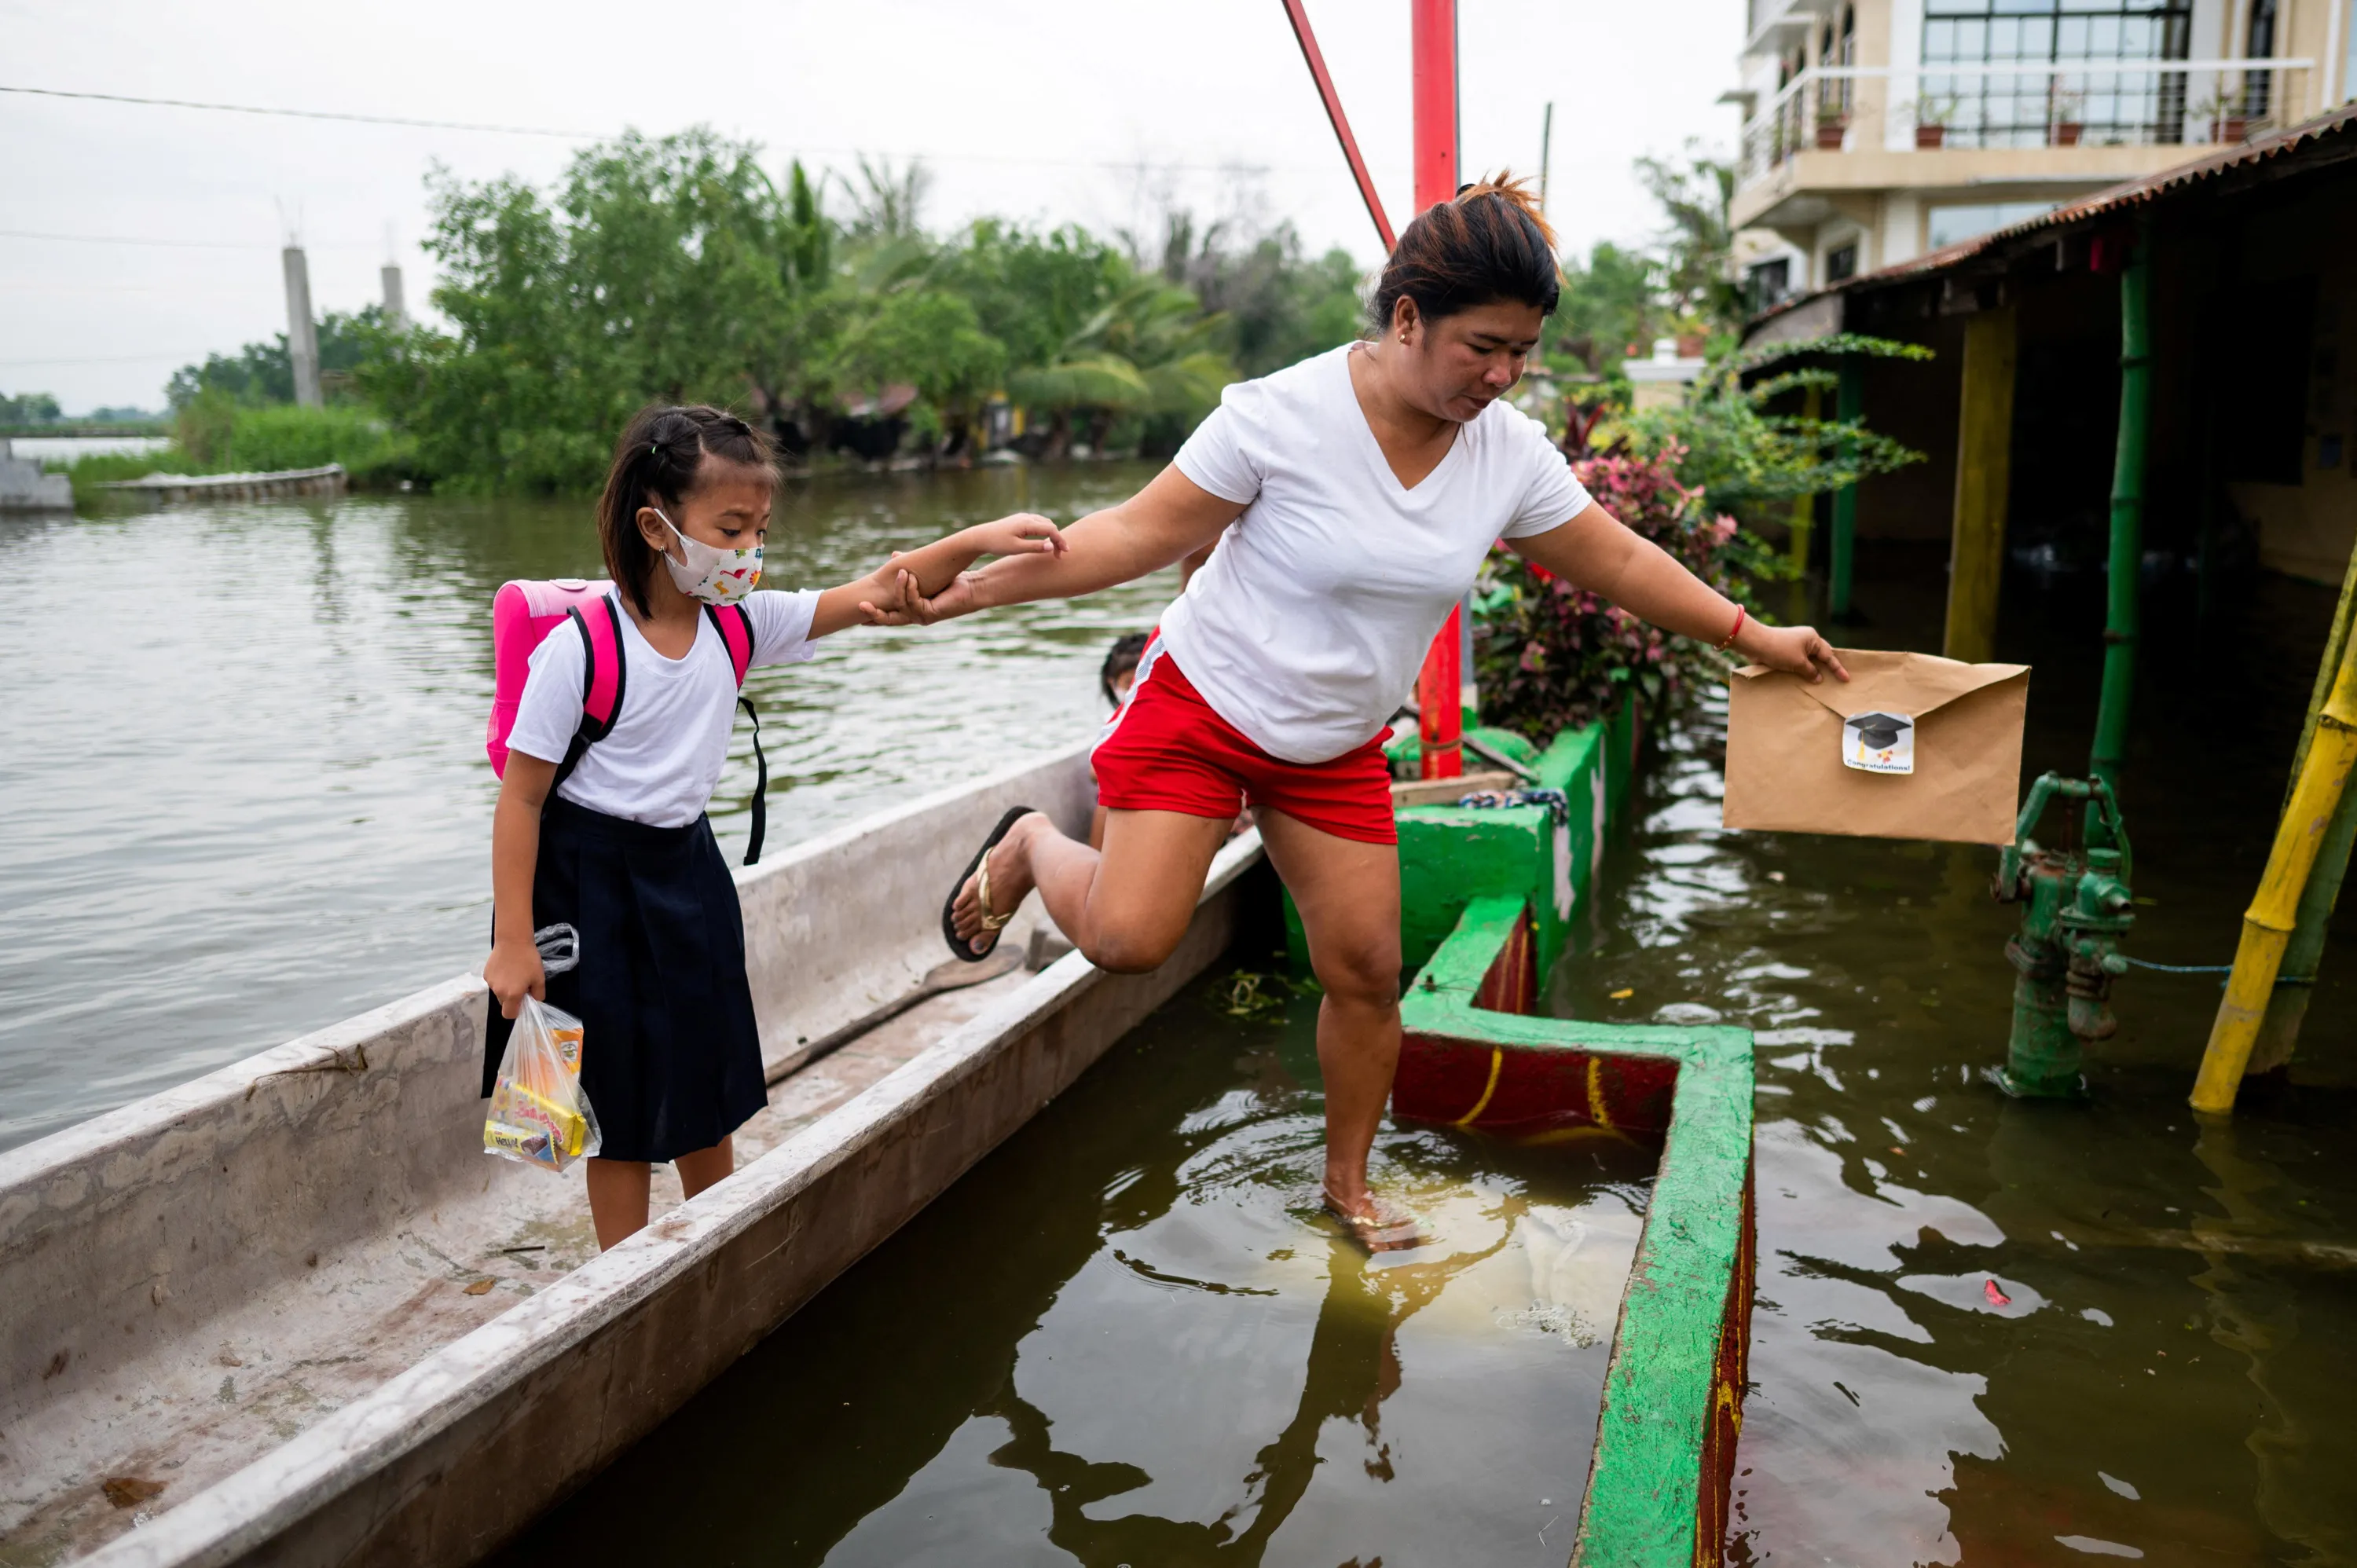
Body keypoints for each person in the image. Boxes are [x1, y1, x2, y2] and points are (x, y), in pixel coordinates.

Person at [874, 175, 1847, 1249]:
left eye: (1523, 351)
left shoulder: (1505, 453)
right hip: (1203, 705)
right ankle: (1026, 846)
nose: (1504, 374)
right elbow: (1127, 539)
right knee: (1129, 939)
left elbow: (1615, 557)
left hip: (1331, 743)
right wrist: (965, 589)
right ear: (1406, 319)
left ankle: (1348, 1186)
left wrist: (1753, 637)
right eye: (1484, 345)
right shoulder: (1277, 418)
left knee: (1367, 972)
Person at [484, 404, 1064, 1250]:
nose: (751, 549)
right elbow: (522, 799)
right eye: (731, 527)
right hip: (589, 880)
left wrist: (978, 536)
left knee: (707, 1071)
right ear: (656, 526)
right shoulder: (581, 647)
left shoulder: (736, 620)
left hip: (687, 869)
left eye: (761, 527)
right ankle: (618, 1274)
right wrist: (512, 941)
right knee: (621, 1097)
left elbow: (874, 595)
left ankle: (720, 1240)